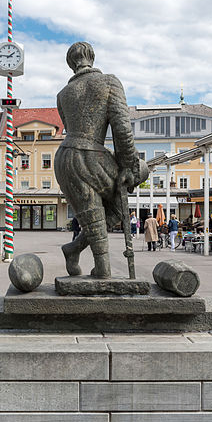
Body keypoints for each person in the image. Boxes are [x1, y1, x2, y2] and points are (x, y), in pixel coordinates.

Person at [54, 42, 148, 277]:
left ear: (70, 63)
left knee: (92, 211)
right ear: (92, 58)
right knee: (123, 195)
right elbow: (122, 129)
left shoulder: (63, 95)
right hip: (90, 154)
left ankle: (78, 251)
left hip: (65, 157)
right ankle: (98, 266)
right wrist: (129, 165)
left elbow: (69, 128)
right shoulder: (108, 82)